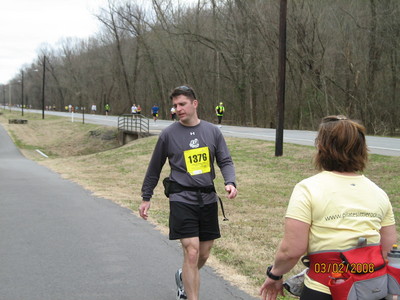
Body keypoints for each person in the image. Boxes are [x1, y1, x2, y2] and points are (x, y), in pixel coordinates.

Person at [259, 115, 397, 300]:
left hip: (325, 289)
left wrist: (274, 274)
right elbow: (389, 250)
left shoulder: (307, 189)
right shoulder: (378, 192)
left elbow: (291, 250)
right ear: (362, 150)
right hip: (371, 290)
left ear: (322, 148)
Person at [139, 85, 238, 300]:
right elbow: (154, 167)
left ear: (195, 104)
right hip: (181, 197)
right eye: (175, 106)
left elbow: (225, 161)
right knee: (191, 252)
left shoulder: (212, 131)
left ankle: (184, 276)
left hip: (208, 198)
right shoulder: (168, 135)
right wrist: (146, 197)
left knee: (204, 252)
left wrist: (230, 181)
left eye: (182, 104)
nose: (178, 109)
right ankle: (190, 295)